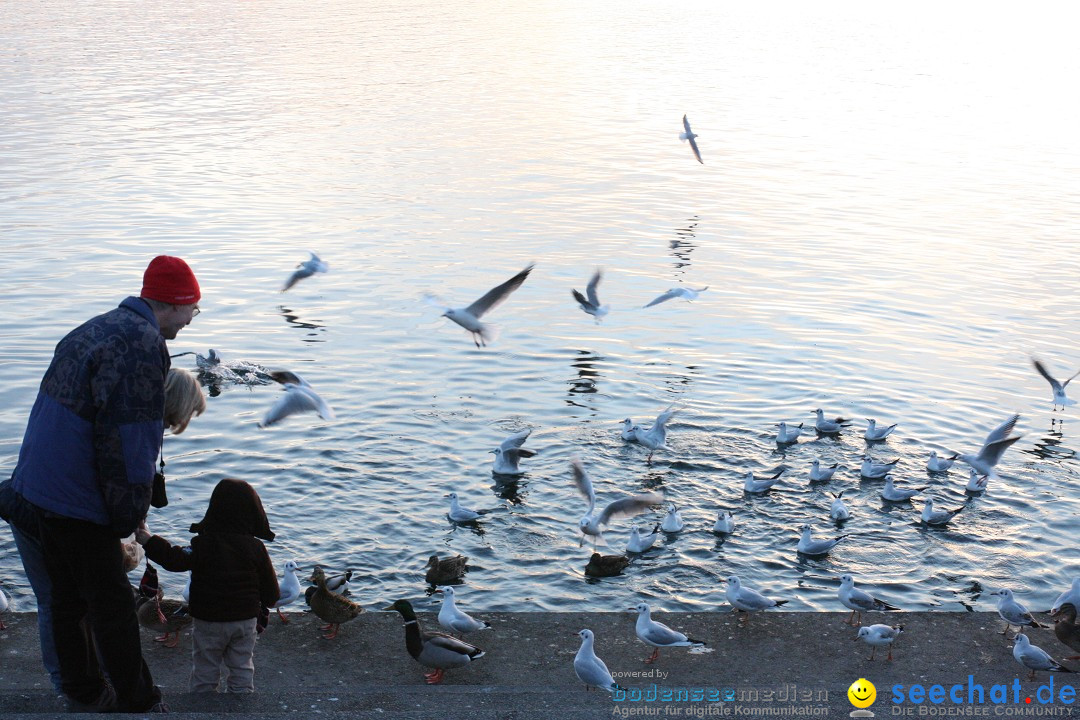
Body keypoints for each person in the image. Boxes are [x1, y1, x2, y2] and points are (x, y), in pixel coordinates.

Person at [4, 255, 200, 713]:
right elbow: (129, 439)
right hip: (77, 499)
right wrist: (127, 519)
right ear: (175, 303)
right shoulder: (142, 343)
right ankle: (136, 700)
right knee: (112, 608)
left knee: (67, 603)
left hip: (38, 487)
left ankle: (83, 691)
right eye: (194, 309)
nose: (192, 320)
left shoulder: (93, 328)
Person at [0, 367, 205, 693]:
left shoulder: (116, 408)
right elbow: (115, 492)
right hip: (43, 514)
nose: (171, 426)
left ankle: (81, 681)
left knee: (65, 601)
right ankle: (77, 686)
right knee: (66, 602)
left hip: (28, 497)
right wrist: (132, 533)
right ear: (172, 406)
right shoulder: (134, 430)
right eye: (175, 419)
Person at [136, 478, 279, 693]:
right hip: (244, 621)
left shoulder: (202, 544)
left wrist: (148, 539)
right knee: (241, 667)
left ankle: (203, 709)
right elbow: (271, 593)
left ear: (213, 510)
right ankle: (241, 707)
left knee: (205, 669)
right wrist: (265, 602)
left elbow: (173, 559)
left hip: (209, 620)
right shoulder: (256, 547)